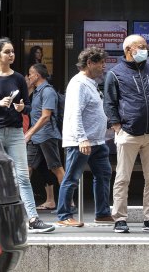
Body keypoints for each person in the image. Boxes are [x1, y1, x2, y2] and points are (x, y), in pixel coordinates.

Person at [0, 37, 54, 233]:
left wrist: (21, 107)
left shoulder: (19, 78)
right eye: (7, 52)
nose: (11, 55)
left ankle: (33, 219)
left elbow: (27, 107)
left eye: (12, 52)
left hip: (15, 132)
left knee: (22, 176)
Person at [103, 34, 149, 234]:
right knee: (123, 177)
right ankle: (120, 219)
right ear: (128, 50)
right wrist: (116, 127)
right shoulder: (115, 74)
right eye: (141, 46)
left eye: (145, 46)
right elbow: (109, 103)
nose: (145, 50)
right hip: (128, 132)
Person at [56, 47, 113, 227]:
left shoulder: (90, 83)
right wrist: (81, 138)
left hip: (97, 140)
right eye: (101, 63)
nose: (104, 66)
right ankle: (64, 215)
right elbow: (74, 112)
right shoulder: (78, 83)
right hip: (82, 141)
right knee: (72, 176)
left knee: (104, 173)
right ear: (90, 63)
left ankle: (102, 213)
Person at [25, 63, 66, 209]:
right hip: (36, 138)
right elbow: (32, 108)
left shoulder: (48, 91)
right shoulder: (36, 91)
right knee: (27, 168)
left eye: (30, 73)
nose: (29, 76)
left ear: (37, 75)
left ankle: (68, 203)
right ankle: (23, 203)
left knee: (57, 168)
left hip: (47, 135)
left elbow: (45, 117)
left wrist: (29, 132)